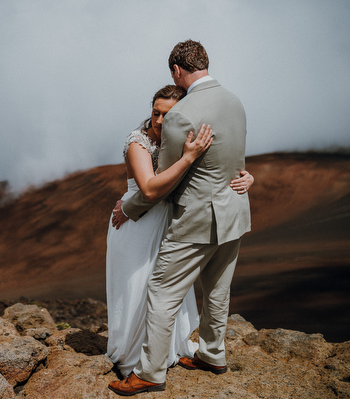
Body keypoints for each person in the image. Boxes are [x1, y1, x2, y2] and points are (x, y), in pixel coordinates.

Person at [108, 40, 252, 395]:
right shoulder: (235, 101)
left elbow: (162, 185)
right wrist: (248, 177)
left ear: (176, 70)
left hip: (196, 220)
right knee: (218, 287)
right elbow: (232, 158)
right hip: (234, 212)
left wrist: (128, 208)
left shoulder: (181, 115)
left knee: (162, 291)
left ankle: (150, 374)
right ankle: (212, 355)